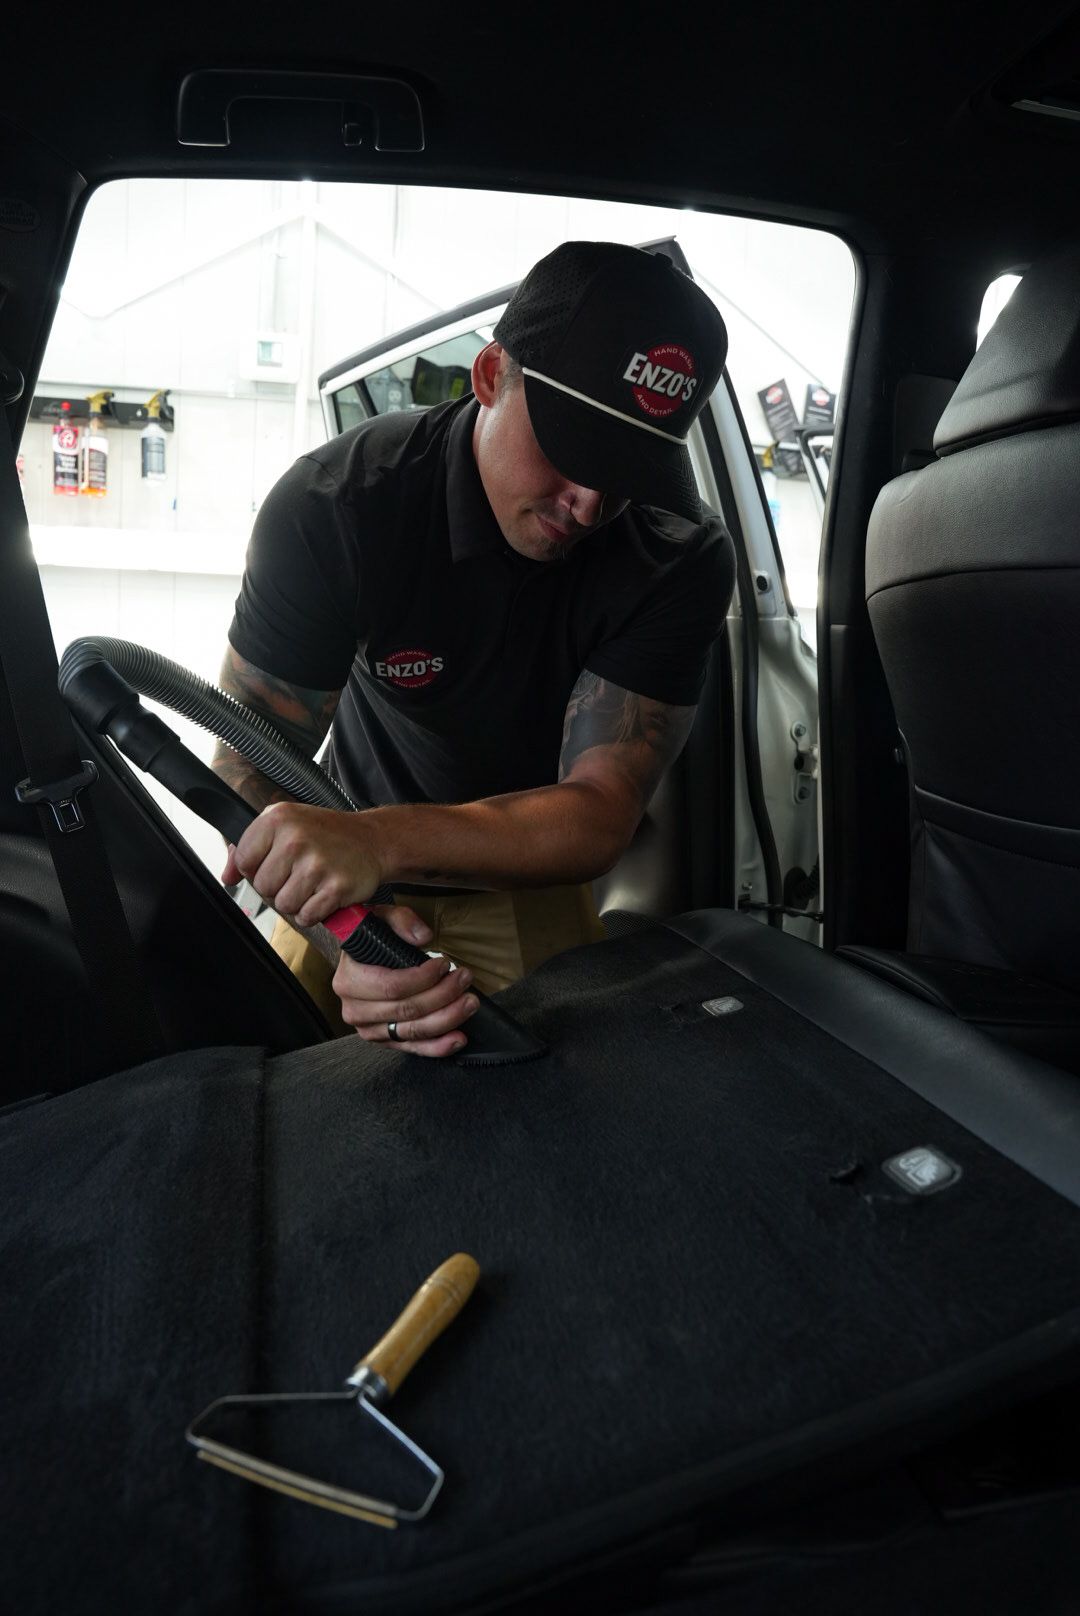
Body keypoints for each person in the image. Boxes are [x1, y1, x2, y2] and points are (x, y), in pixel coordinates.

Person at [214, 240, 736, 1057]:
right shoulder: (342, 508)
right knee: (271, 1076)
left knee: (565, 1091)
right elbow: (247, 759)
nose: (592, 503)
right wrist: (346, 933)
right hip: (337, 862)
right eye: (574, 447)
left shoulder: (675, 553)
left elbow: (600, 811)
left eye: (630, 466)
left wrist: (383, 840)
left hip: (520, 869)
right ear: (491, 375)